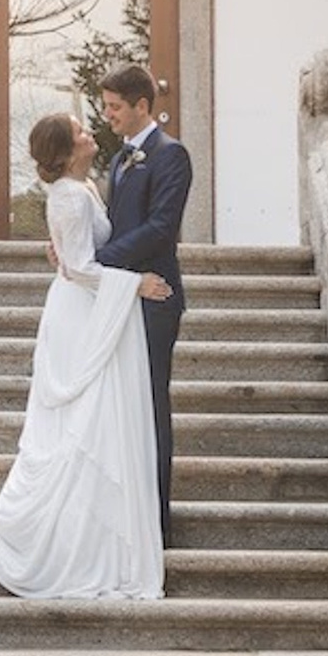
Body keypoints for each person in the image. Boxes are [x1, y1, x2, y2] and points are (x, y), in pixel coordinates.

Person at [0, 111, 170, 599]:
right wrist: (136, 284)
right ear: (65, 152)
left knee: (94, 422)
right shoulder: (67, 196)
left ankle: (92, 536)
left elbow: (76, 251)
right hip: (79, 313)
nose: (90, 135)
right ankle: (65, 544)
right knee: (82, 422)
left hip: (86, 304)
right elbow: (81, 268)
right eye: (81, 132)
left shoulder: (82, 190)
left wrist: (61, 248)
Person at [90, 62, 190, 542]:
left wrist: (99, 259)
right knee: (121, 407)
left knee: (151, 405)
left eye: (114, 107)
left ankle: (157, 523)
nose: (107, 116)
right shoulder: (118, 159)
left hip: (156, 297)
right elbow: (116, 222)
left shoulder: (172, 156)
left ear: (142, 107)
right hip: (121, 295)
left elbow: (160, 229)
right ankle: (126, 515)